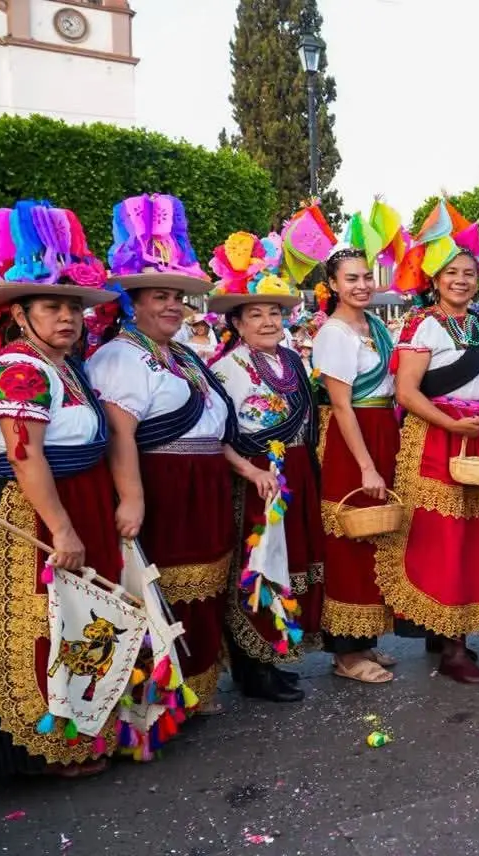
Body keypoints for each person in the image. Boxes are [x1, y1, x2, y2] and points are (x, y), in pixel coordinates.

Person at [0, 202, 122, 778]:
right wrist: (61, 527)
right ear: (19, 314)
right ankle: (45, 748)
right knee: (46, 623)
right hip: (39, 510)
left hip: (80, 500)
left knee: (84, 622)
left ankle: (85, 731)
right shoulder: (18, 368)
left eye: (73, 307)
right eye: (52, 306)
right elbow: (24, 455)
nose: (67, 318)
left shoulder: (65, 367)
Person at [88, 194, 235, 713]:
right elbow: (120, 434)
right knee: (167, 586)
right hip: (164, 483)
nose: (172, 306)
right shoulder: (119, 357)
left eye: (177, 296)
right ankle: (167, 694)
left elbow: (215, 426)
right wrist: (132, 499)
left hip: (206, 480)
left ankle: (199, 683)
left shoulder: (184, 356)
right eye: (159, 296)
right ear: (134, 301)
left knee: (208, 581)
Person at [390, 202, 479, 685]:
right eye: (451, 273)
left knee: (475, 538)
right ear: (435, 279)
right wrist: (450, 423)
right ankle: (451, 644)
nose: (460, 280)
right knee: (444, 538)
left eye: (468, 273)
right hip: (439, 438)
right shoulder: (423, 324)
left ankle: (455, 631)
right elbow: (406, 391)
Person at [207, 229, 324, 703]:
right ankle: (253, 669)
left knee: (291, 560)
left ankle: (273, 657)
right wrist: (249, 471)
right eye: (256, 314)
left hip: (295, 469)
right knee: (261, 564)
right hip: (257, 476)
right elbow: (216, 435)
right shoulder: (226, 369)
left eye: (274, 312)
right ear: (236, 320)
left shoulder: (293, 361)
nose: (268, 321)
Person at [311, 226, 399, 684]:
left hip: (382, 428)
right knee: (349, 538)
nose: (362, 285)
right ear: (333, 285)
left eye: (367, 277)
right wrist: (365, 464)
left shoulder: (375, 325)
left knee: (376, 539)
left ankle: (364, 638)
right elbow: (341, 405)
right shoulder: (334, 333)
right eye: (351, 279)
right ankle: (345, 652)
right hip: (352, 439)